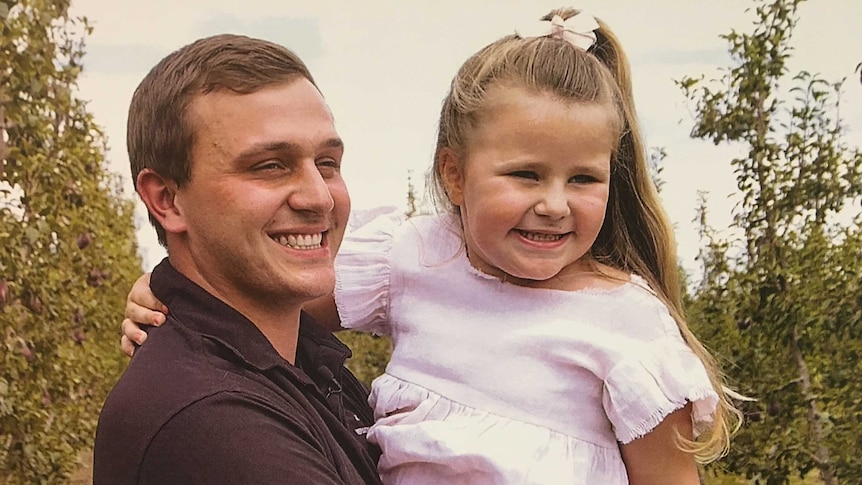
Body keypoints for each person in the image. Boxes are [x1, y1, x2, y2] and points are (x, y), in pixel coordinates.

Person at [121, 8, 741, 484]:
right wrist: (162, 294)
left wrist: (177, 287)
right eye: (526, 175)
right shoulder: (415, 259)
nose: (555, 204)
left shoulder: (628, 326)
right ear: (453, 174)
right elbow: (247, 299)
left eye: (583, 179)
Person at [93, 34, 383, 484]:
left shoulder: (297, 363)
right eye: (270, 165)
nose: (320, 198)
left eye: (327, 163)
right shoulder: (213, 422)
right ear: (167, 199)